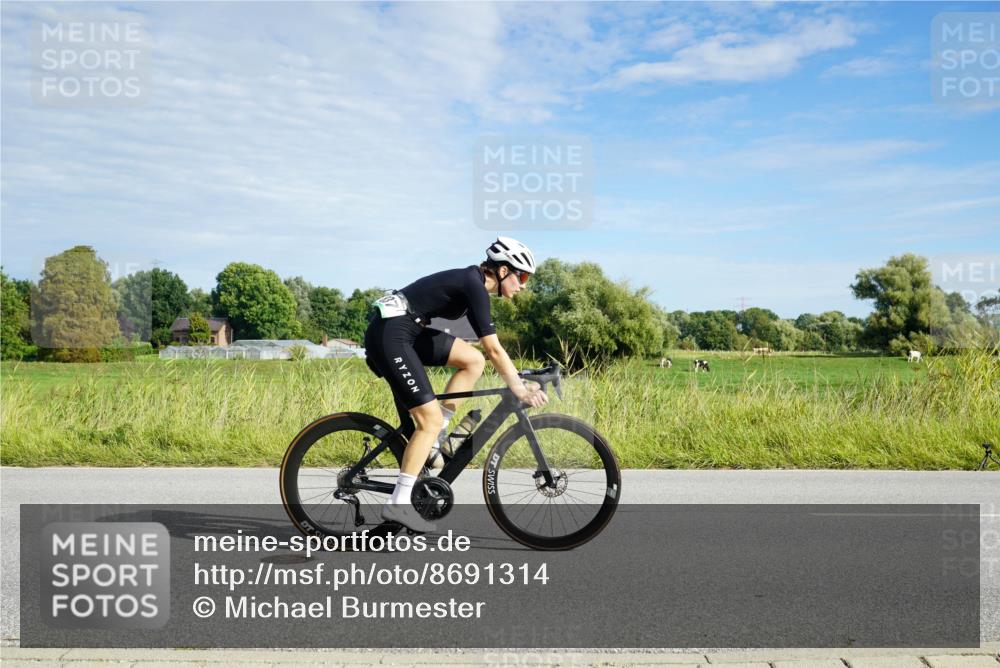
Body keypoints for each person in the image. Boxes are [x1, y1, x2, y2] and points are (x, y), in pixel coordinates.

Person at [363, 237, 549, 532]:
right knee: (428, 420)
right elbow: (495, 350)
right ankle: (399, 503)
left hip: (407, 329)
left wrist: (518, 378)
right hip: (391, 333)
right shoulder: (473, 284)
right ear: (502, 271)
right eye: (522, 276)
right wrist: (519, 387)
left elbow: (485, 355)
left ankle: (438, 435)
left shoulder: (472, 283)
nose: (524, 285)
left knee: (472, 361)